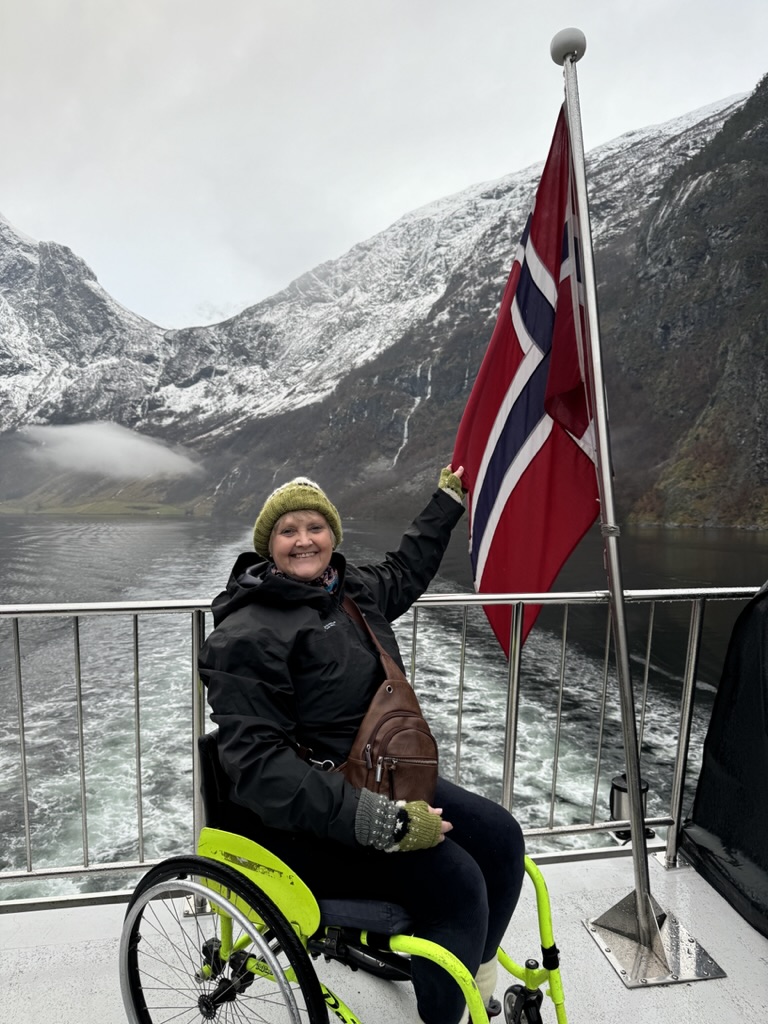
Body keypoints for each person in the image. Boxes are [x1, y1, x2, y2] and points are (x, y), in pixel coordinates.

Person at [198, 467, 526, 1024]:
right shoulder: (247, 634)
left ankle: (474, 976)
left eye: (316, 526)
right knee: (458, 883)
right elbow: (258, 768)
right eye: (288, 530)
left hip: (381, 777)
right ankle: (446, 1015)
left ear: (333, 537)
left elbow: (408, 567)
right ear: (267, 546)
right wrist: (382, 821)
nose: (304, 540)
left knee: (499, 838)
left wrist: (446, 502)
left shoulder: (350, 591)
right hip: (306, 820)